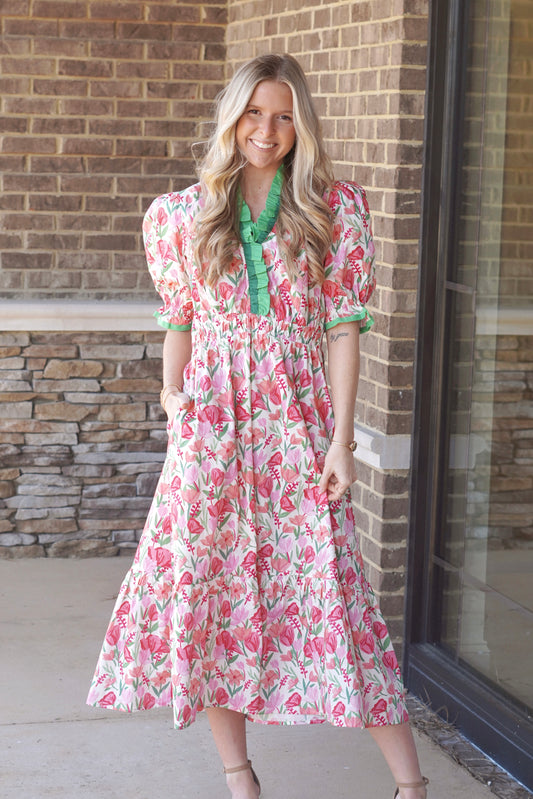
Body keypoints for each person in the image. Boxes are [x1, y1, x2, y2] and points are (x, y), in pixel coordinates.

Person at [87, 53, 428, 799]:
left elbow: (344, 329)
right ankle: (240, 778)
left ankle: (410, 784)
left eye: (281, 116)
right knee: (208, 595)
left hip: (294, 427)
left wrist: (339, 440)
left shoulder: (334, 207)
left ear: (298, 123)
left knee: (336, 593)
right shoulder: (180, 213)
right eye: (252, 114)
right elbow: (176, 320)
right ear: (231, 117)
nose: (266, 131)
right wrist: (171, 398)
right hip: (211, 428)